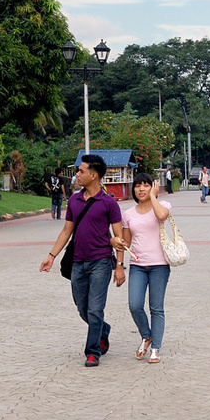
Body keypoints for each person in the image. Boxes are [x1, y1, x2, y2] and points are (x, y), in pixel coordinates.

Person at [40, 154, 126, 367]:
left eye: (81, 171)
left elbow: (119, 238)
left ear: (93, 175)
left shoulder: (109, 203)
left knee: (95, 309)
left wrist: (119, 266)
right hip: (78, 262)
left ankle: (92, 351)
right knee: (82, 308)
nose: (77, 174)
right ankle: (103, 330)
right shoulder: (74, 200)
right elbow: (66, 230)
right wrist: (51, 256)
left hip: (102, 262)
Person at [120, 173, 172, 364]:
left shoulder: (163, 206)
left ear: (153, 187)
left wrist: (153, 197)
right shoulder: (128, 214)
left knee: (156, 308)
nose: (141, 189)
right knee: (134, 305)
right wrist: (115, 241)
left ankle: (156, 348)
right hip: (138, 266)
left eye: (146, 185)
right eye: (138, 186)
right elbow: (126, 241)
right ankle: (146, 335)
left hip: (160, 265)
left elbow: (161, 216)